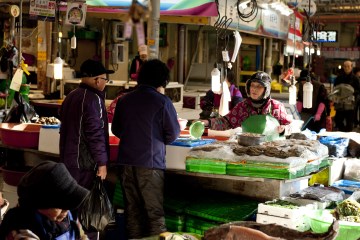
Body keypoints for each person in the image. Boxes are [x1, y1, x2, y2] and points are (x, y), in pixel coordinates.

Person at [111, 59, 180, 239]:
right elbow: (173, 134)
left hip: (125, 163)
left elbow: (116, 129)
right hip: (150, 165)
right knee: (154, 214)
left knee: (132, 212)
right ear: (162, 81)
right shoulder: (163, 102)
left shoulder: (124, 100)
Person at [0, 161, 89, 240]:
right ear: (40, 206)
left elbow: (81, 235)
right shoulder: (22, 230)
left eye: (68, 204)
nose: (66, 210)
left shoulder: (67, 215)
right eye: (61, 206)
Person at [60, 59, 113, 190]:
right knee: (83, 202)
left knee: (70, 201)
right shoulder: (94, 100)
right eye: (105, 80)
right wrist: (102, 163)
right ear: (97, 80)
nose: (105, 83)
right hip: (85, 165)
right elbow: (96, 134)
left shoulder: (71, 96)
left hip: (67, 161)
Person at [199, 71, 292, 135]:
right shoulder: (242, 107)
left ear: (266, 89)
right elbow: (226, 122)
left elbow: (289, 126)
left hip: (273, 151)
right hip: (248, 150)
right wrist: (207, 122)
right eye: (252, 85)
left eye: (259, 86)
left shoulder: (276, 107)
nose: (254, 89)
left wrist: (284, 129)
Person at [333, 60, 360, 131]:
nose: (346, 68)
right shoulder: (339, 78)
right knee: (338, 120)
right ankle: (342, 133)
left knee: (350, 123)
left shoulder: (355, 78)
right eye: (345, 66)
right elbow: (335, 88)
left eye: (348, 66)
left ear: (351, 67)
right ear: (343, 67)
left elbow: (358, 90)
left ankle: (348, 137)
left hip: (351, 104)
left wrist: (350, 92)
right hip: (340, 103)